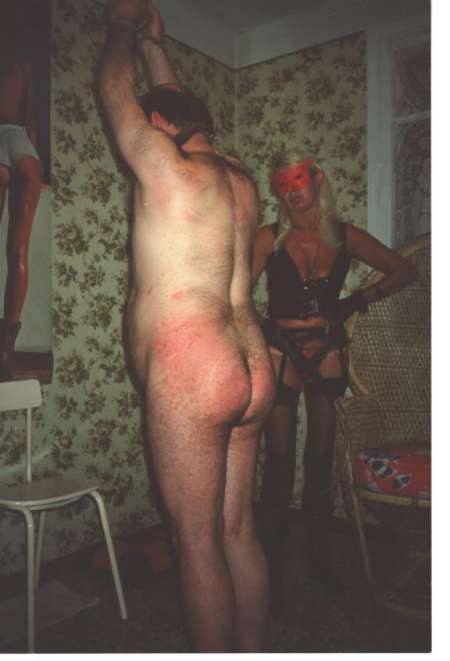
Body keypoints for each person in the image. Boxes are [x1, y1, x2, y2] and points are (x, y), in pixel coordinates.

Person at [97, 0, 274, 652]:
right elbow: (184, 113)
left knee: (195, 541)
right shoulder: (241, 181)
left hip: (194, 367)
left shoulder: (165, 167)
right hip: (253, 362)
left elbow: (111, 89)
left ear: (159, 125)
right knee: (237, 529)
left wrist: (122, 26)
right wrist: (157, 48)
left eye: (153, 120)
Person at [252, 150, 416, 613]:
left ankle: (320, 565)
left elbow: (405, 271)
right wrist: (265, 330)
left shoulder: (344, 236)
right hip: (281, 350)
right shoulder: (268, 237)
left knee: (320, 460)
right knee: (279, 462)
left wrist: (353, 302)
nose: (291, 192)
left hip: (327, 351)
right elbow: (235, 292)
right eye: (281, 185)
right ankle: (270, 573)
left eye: (298, 180)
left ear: (318, 179)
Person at [0, 42, 42, 380]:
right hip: (25, 148)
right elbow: (30, 120)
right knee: (19, 253)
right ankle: (5, 350)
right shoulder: (25, 69)